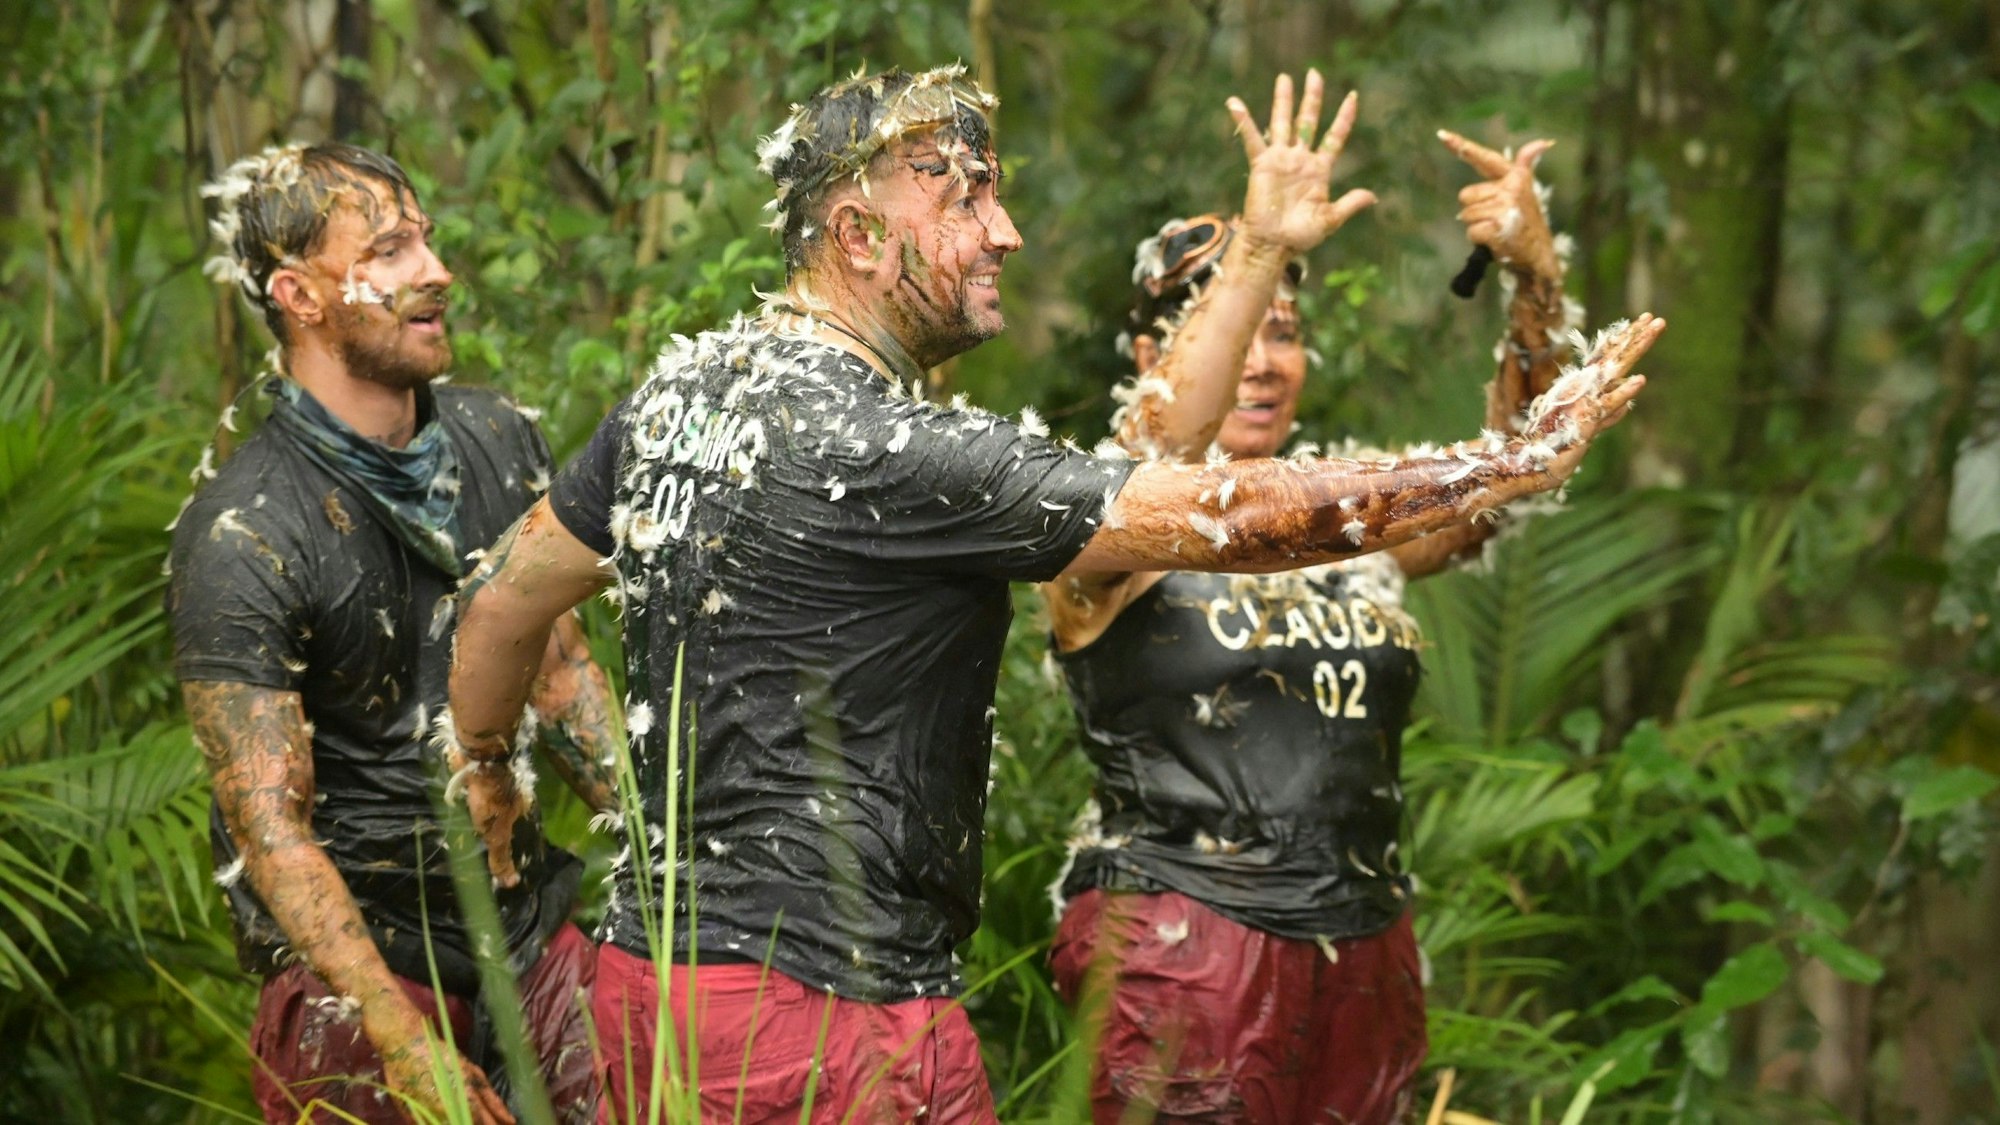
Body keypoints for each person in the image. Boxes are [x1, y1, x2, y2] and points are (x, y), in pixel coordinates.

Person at [444, 64, 1659, 1124]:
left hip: (660, 988)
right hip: (828, 1019)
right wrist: (1491, 460)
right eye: (965, 201)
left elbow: (500, 601)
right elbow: (1213, 513)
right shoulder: (894, 451)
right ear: (858, 234)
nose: (1005, 232)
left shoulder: (679, 402)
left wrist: (491, 774)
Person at [1038, 132, 1587, 1124]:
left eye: (1282, 331)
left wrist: (1535, 281)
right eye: (1232, 328)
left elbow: (1513, 474)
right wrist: (1257, 250)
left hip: (1362, 946)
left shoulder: (1353, 514)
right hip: (1181, 940)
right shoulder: (1103, 518)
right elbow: (1157, 449)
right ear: (1153, 359)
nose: (1258, 363)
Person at [170, 141, 620, 1125]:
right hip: (355, 971)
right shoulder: (244, 530)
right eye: (389, 250)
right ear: (299, 295)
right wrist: (399, 1037)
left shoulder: (497, 437)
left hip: (526, 933)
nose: (437, 271)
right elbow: (270, 827)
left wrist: (670, 860)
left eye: (426, 239)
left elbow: (558, 673)